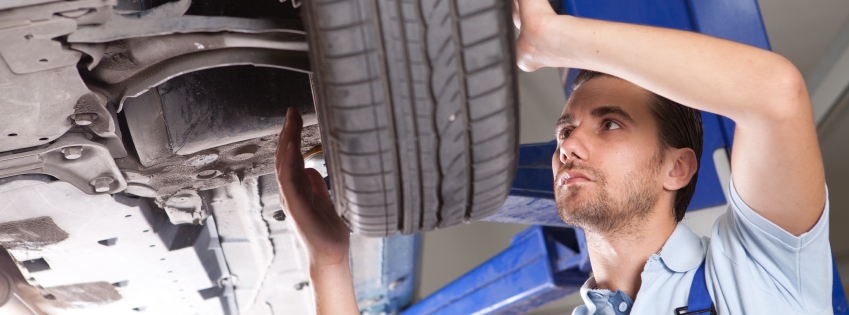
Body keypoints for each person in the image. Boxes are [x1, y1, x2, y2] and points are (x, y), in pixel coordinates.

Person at [274, 0, 831, 313]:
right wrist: (330, 261)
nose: (567, 144)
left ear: (677, 167)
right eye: (566, 128)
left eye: (609, 123)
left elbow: (776, 95)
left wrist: (556, 39)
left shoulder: (761, 271)